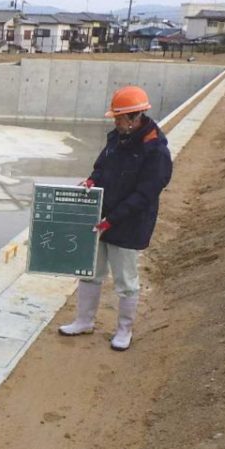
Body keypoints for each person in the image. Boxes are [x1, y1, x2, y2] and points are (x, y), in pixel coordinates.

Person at [58, 85, 172, 351]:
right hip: (101, 218)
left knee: (126, 281)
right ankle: (84, 321)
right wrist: (92, 181)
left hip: (129, 224)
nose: (116, 122)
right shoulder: (117, 139)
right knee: (91, 272)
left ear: (135, 117)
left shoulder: (155, 150)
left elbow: (145, 194)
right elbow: (101, 167)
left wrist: (112, 219)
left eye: (119, 118)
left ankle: (124, 330)